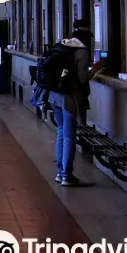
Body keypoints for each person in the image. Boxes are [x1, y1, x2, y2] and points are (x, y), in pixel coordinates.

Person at [47, 20, 101, 186]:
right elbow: (82, 78)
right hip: (68, 98)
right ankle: (67, 175)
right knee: (69, 136)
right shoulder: (82, 51)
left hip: (54, 94)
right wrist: (95, 69)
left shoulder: (62, 45)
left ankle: (60, 172)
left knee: (61, 133)